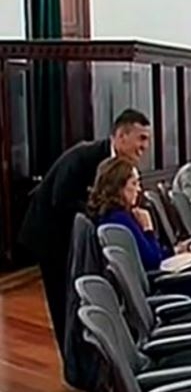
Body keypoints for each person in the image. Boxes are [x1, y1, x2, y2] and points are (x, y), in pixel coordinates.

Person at [17, 109, 151, 356]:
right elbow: (61, 199)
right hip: (50, 235)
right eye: (141, 138)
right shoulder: (83, 156)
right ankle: (72, 363)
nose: (145, 147)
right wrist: (104, 212)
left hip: (75, 236)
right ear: (121, 136)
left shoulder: (120, 166)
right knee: (63, 302)